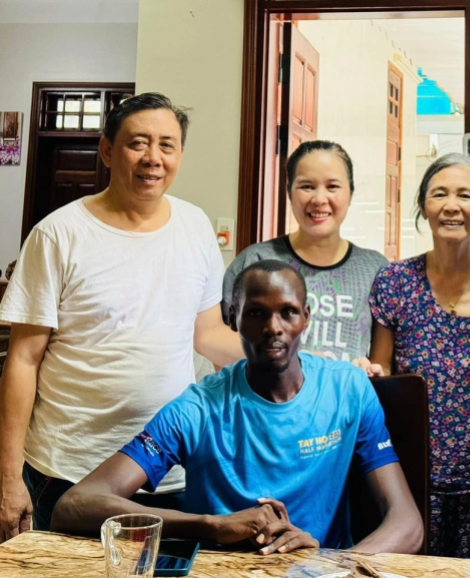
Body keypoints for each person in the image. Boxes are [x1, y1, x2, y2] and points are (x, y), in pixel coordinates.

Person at [51, 260, 423, 554]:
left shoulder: (349, 390)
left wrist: (337, 566)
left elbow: (407, 523)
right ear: (233, 318)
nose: (273, 327)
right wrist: (207, 525)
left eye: (288, 312)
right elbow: (74, 505)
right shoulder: (196, 409)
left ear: (306, 318)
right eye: (256, 313)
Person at [0, 93, 243, 539]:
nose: (153, 158)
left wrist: (302, 364)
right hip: (68, 468)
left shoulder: (195, 227)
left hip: (167, 471)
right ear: (107, 150)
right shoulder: (58, 234)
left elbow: (208, 335)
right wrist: (7, 478)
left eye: (167, 145)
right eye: (138, 143)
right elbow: (23, 360)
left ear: (180, 155)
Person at [359, 154, 470, 560]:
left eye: (465, 195)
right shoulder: (394, 281)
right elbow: (384, 374)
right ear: (423, 206)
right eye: (439, 194)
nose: (451, 205)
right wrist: (368, 373)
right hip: (411, 474)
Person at [222, 140, 388, 363]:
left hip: (347, 397)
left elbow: (382, 366)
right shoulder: (255, 262)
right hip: (265, 398)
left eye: (332, 187)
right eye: (307, 186)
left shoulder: (375, 268)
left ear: (350, 193)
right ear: (289, 192)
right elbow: (221, 348)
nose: (319, 199)